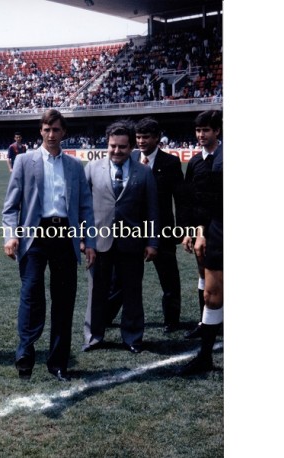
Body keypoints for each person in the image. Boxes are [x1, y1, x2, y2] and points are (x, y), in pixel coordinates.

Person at [2, 109, 96, 381]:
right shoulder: (23, 161)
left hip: (65, 236)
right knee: (31, 295)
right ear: (40, 131)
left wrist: (89, 241)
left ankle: (58, 363)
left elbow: (86, 208)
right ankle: (25, 354)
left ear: (63, 132)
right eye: (46, 130)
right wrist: (11, 235)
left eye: (56, 130)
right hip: (35, 237)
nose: (51, 135)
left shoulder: (74, 166)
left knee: (64, 301)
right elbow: (10, 207)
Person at [82, 120, 159, 353]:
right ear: (107, 144)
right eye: (113, 146)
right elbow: (82, 207)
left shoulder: (144, 173)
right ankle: (93, 337)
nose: (117, 151)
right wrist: (84, 240)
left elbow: (152, 210)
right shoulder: (92, 169)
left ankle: (133, 338)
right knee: (96, 292)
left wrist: (152, 242)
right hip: (99, 242)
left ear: (132, 147)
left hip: (132, 243)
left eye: (122, 147)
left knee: (132, 292)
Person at [104, 118, 184, 333]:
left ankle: (171, 320)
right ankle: (106, 316)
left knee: (169, 279)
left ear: (157, 138)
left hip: (163, 230)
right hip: (132, 231)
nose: (141, 141)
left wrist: (183, 229)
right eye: (138, 137)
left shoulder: (171, 163)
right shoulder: (128, 159)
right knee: (119, 279)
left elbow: (180, 199)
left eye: (145, 137)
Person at [179, 110, 223, 375]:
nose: (201, 135)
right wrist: (196, 231)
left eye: (206, 130)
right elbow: (194, 201)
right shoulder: (196, 163)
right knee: (211, 292)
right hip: (214, 228)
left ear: (217, 131)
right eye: (198, 130)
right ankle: (205, 355)